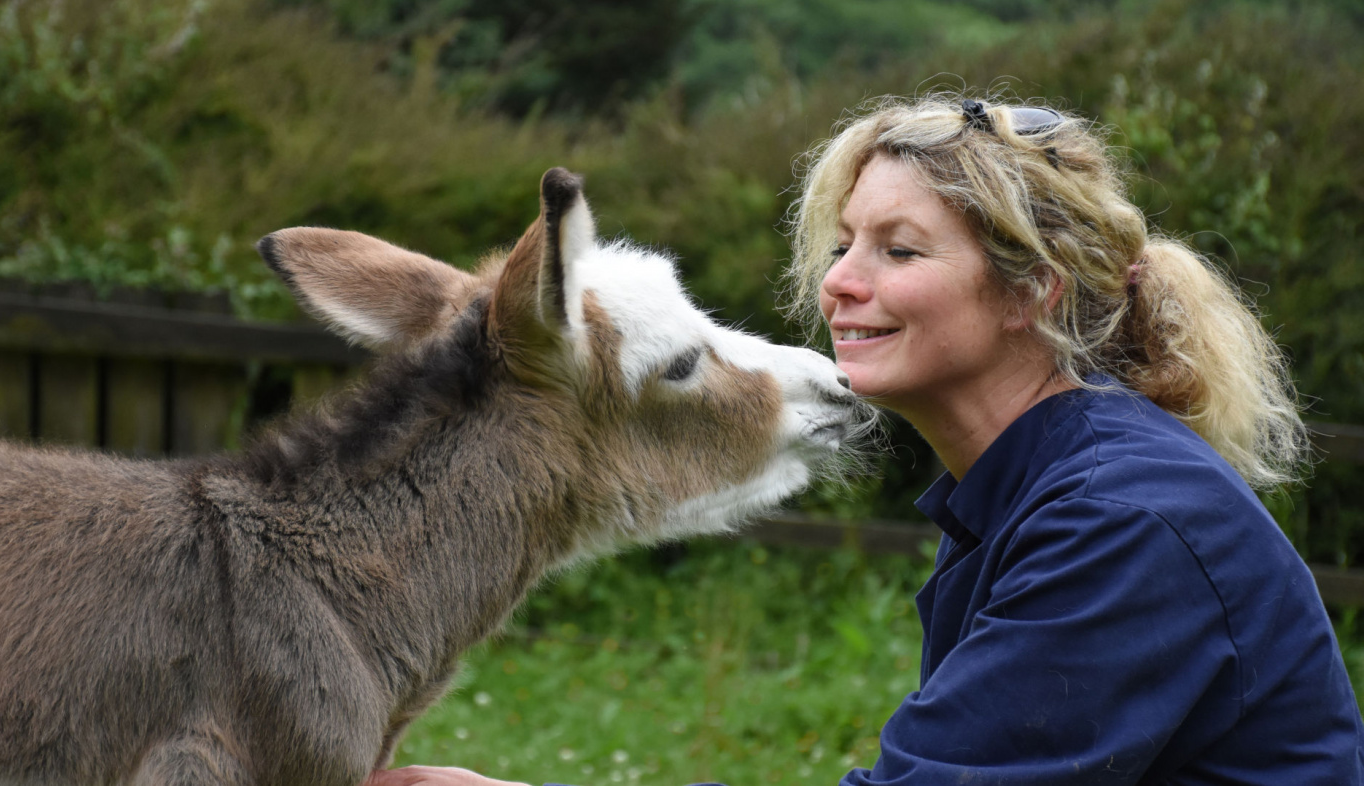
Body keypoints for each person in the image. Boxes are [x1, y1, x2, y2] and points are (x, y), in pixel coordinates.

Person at [365, 93, 1364, 785]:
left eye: (897, 249)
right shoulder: (1041, 487)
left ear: (1029, 292)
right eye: (843, 242)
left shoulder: (1121, 524)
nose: (839, 280)